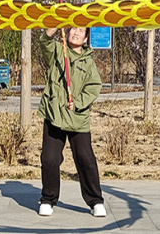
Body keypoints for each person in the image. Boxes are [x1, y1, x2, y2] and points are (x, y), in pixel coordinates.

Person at [37, 26, 106, 218]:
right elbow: (45, 42)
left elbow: (94, 86)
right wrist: (54, 25)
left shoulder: (88, 61)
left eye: (81, 31)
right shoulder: (58, 50)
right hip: (55, 115)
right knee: (49, 158)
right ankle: (48, 199)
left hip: (77, 117)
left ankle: (95, 200)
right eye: (73, 28)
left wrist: (78, 103)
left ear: (85, 38)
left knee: (85, 158)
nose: (76, 32)